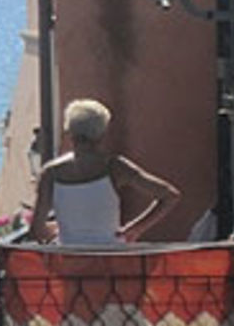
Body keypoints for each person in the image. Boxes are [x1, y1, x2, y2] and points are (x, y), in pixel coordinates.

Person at [28, 98, 180, 246]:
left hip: (69, 260)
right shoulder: (115, 167)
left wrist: (59, 231)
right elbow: (169, 195)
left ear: (70, 132)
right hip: (110, 258)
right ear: (102, 133)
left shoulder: (50, 173)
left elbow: (37, 229)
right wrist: (135, 229)